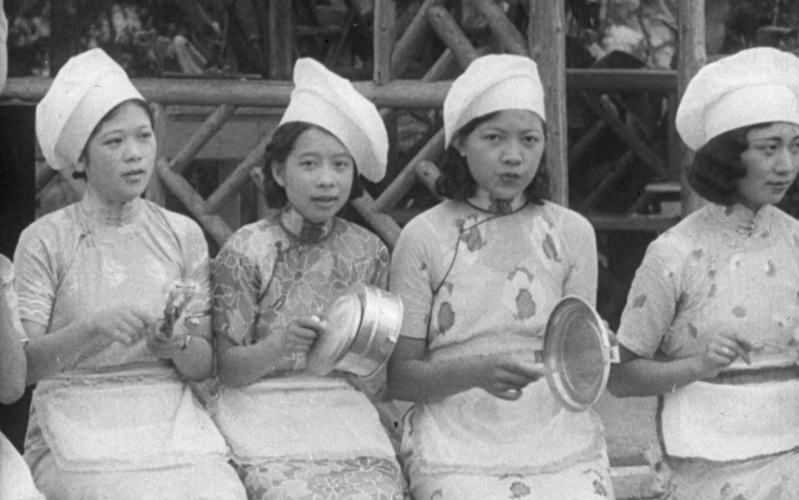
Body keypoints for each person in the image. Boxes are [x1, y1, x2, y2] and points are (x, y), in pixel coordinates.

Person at [13, 48, 246, 500]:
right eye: (114, 142)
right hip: (73, 416)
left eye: (143, 137)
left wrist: (175, 343)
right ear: (81, 159)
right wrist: (90, 329)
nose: (134, 154)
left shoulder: (182, 234)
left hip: (167, 415)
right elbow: (22, 369)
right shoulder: (45, 240)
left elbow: (202, 365)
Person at [387, 54, 613, 500]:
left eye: (529, 139)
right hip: (456, 429)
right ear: (461, 143)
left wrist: (600, 350)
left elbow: (580, 368)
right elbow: (401, 378)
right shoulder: (425, 236)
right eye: (494, 138)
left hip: (554, 427)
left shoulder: (572, 233)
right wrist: (476, 372)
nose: (514, 156)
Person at [607, 47, 799, 500]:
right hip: (709, 463)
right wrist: (697, 365)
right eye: (769, 148)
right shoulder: (674, 254)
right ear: (729, 157)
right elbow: (620, 377)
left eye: (795, 147)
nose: (786, 165)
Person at [211, 57, 403, 500]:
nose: (326, 181)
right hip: (259, 406)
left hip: (342, 408)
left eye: (340, 165)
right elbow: (228, 369)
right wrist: (280, 344)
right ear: (279, 171)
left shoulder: (369, 251)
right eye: (310, 164)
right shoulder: (247, 249)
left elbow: (371, 367)